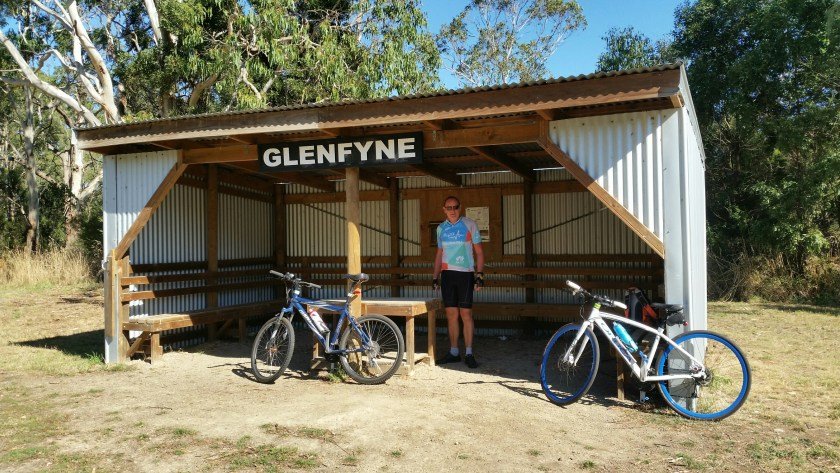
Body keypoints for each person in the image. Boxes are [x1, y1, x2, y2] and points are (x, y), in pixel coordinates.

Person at [433, 196, 484, 369]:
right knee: (451, 315)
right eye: (449, 208)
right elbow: (439, 254)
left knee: (466, 314)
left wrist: (480, 275)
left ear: (460, 207)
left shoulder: (470, 224)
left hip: (465, 274)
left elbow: (479, 252)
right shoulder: (441, 228)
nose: (452, 210)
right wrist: (435, 276)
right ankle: (454, 352)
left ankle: (469, 353)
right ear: (444, 209)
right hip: (447, 275)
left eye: (455, 207)